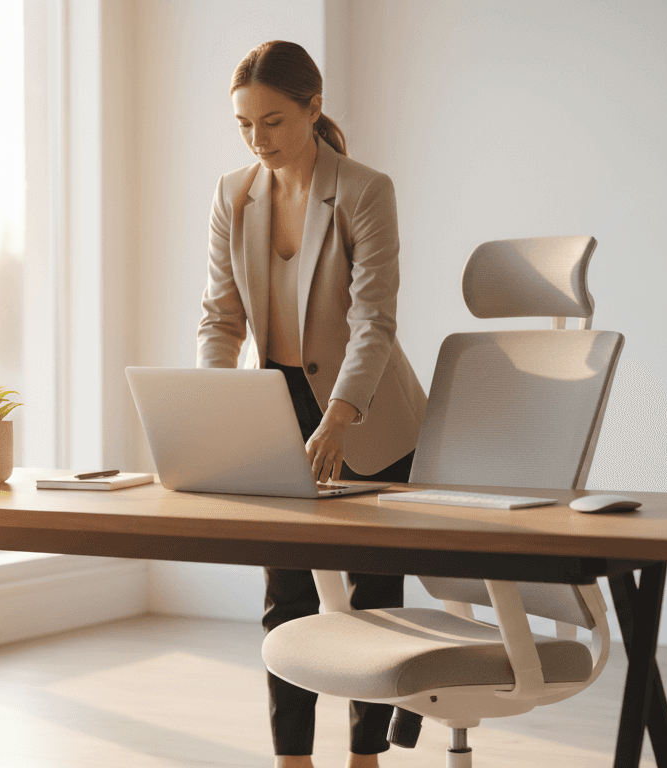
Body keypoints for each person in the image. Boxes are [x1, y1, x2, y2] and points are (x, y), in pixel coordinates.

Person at [196, 40, 427, 768]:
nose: (258, 141)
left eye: (273, 122)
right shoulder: (233, 195)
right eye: (244, 125)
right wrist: (215, 401)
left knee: (372, 597)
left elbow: (374, 323)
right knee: (285, 592)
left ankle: (366, 757)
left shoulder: (364, 189)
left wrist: (339, 415)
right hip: (277, 402)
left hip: (365, 412)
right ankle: (292, 758)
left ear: (313, 108)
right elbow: (220, 318)